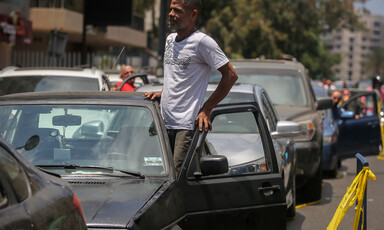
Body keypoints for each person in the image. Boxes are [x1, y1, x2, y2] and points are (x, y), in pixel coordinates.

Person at [144, 0, 238, 176]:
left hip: (185, 126)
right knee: (153, 177)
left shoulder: (203, 42)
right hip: (162, 123)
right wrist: (163, 94)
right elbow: (179, 78)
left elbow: (231, 75)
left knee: (175, 180)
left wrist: (207, 108)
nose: (171, 14)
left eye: (177, 11)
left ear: (193, 14)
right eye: (171, 9)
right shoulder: (170, 40)